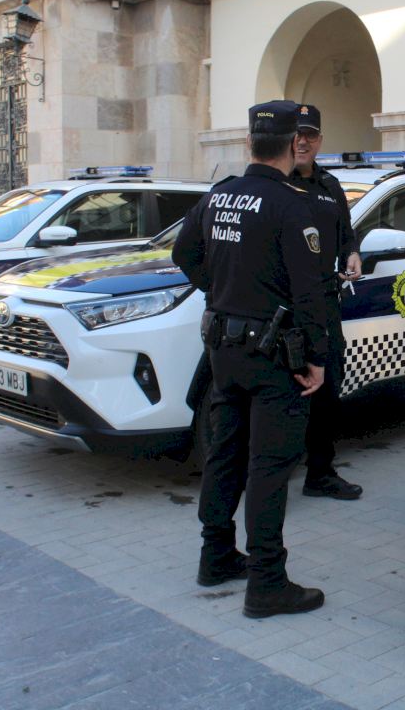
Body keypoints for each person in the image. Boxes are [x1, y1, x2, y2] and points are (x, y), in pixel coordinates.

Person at [172, 99, 330, 619]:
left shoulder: (219, 196)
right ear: (292, 144)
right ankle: (266, 581)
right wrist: (317, 356)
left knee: (225, 452)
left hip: (224, 350)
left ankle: (215, 554)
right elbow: (309, 292)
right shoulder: (290, 205)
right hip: (273, 357)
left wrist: (220, 291)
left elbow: (183, 254)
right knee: (269, 465)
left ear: (249, 143)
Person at [291, 104, 363, 501]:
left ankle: (320, 473)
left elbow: (346, 234)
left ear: (320, 140)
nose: (302, 141)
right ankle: (269, 479)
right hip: (284, 309)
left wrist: (352, 254)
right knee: (283, 395)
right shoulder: (276, 184)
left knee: (327, 390)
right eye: (297, 134)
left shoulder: (331, 187)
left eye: (310, 135)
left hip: (324, 305)